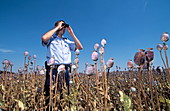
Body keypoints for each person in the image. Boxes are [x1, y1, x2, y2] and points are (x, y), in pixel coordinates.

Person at [42, 20, 83, 106]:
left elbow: (80, 47)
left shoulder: (66, 41)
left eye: (64, 27)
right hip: (53, 70)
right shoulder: (51, 39)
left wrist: (72, 33)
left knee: (65, 93)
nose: (63, 28)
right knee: (51, 93)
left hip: (65, 70)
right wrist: (57, 27)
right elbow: (44, 38)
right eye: (61, 26)